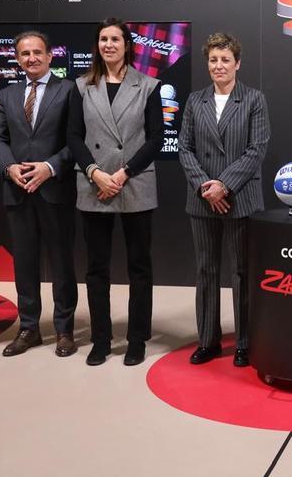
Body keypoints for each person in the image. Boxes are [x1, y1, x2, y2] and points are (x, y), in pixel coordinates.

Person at [67, 19, 164, 367]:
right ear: (97, 45)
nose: (109, 44)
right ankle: (101, 339)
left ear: (127, 45)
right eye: (103, 39)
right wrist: (96, 173)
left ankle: (137, 338)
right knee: (97, 268)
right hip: (94, 185)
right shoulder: (82, 86)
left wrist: (122, 173)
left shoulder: (148, 85)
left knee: (139, 266)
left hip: (134, 181)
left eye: (116, 39)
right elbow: (74, 137)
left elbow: (156, 138)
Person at [177, 33, 270, 367]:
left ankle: (244, 342)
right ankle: (208, 340)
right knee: (206, 271)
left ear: (237, 64)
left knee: (242, 271)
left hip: (240, 198)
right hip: (202, 201)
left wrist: (224, 186)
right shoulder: (194, 101)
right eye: (213, 60)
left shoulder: (254, 100)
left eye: (225, 60)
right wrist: (206, 186)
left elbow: (256, 149)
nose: (219, 66)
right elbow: (184, 148)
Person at [0, 31, 79, 358]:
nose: (31, 58)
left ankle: (64, 330)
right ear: (17, 57)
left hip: (55, 190)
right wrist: (8, 168)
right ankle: (28, 328)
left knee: (62, 263)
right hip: (17, 191)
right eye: (24, 54)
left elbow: (77, 141)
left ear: (50, 55)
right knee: (24, 264)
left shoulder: (68, 90)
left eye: (37, 52)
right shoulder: (7, 94)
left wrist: (50, 167)